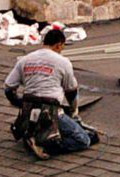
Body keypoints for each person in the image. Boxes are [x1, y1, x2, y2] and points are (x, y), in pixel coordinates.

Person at [5, 26, 79, 157]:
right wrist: (73, 112)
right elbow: (71, 91)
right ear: (58, 45)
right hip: (51, 110)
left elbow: (9, 88)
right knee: (83, 139)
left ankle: (32, 136)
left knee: (39, 123)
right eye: (62, 47)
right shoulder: (63, 62)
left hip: (28, 111)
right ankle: (46, 146)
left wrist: (20, 103)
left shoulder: (25, 59)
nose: (62, 50)